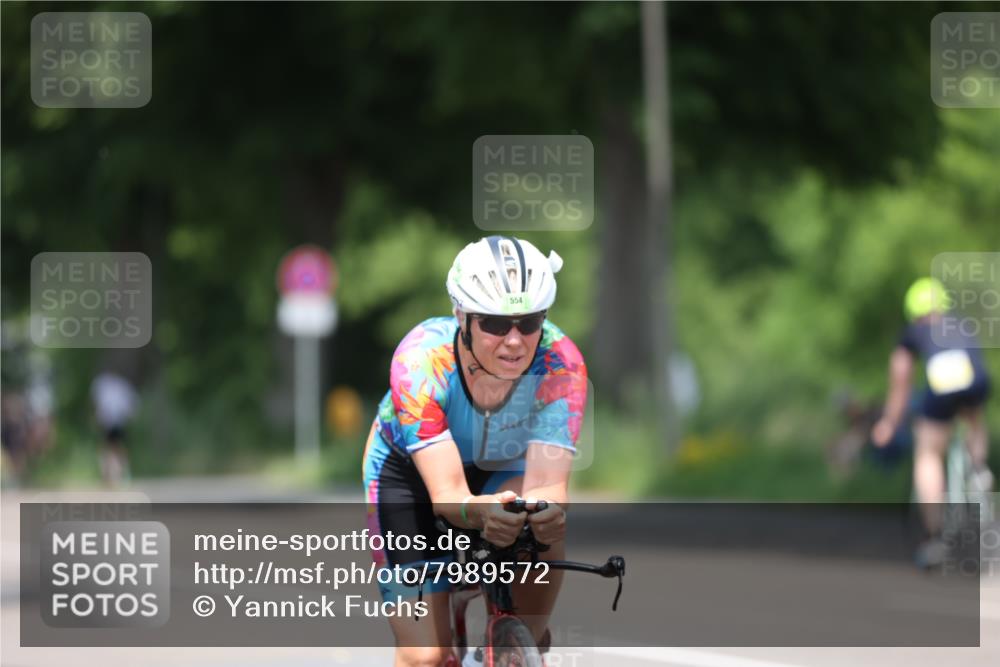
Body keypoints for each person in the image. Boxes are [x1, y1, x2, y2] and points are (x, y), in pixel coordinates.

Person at [362, 236, 587, 667]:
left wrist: (546, 513)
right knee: (424, 655)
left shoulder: (561, 364)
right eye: (495, 324)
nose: (515, 341)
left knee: (540, 522)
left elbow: (548, 484)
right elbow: (448, 493)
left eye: (530, 321)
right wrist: (478, 513)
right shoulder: (420, 362)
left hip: (503, 469)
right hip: (409, 476)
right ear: (461, 316)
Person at [871, 277, 993, 565]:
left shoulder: (914, 330)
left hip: (941, 383)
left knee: (928, 454)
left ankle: (935, 537)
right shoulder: (961, 322)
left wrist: (889, 422)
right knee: (974, 416)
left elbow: (901, 380)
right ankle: (978, 468)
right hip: (976, 379)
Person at [91, 371, 139, 487]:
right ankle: (113, 475)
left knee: (111, 447)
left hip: (113, 421)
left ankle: (113, 475)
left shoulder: (108, 385)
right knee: (113, 447)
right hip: (113, 421)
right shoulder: (114, 385)